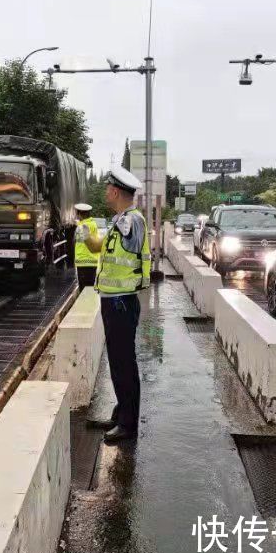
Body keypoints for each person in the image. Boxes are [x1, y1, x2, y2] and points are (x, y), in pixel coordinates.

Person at [79, 166, 150, 443]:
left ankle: (128, 425)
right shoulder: (119, 220)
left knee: (123, 363)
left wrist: (124, 227)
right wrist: (87, 237)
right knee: (118, 361)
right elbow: (101, 249)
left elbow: (132, 245)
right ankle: (122, 412)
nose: (105, 191)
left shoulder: (132, 221)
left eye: (108, 188)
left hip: (122, 301)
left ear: (117, 191)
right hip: (112, 300)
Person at [73, 203, 99, 289]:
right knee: (89, 289)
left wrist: (78, 224)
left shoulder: (82, 226)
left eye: (77, 214)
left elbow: (80, 233)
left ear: (80, 214)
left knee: (84, 289)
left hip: (84, 262)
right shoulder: (92, 223)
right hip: (92, 261)